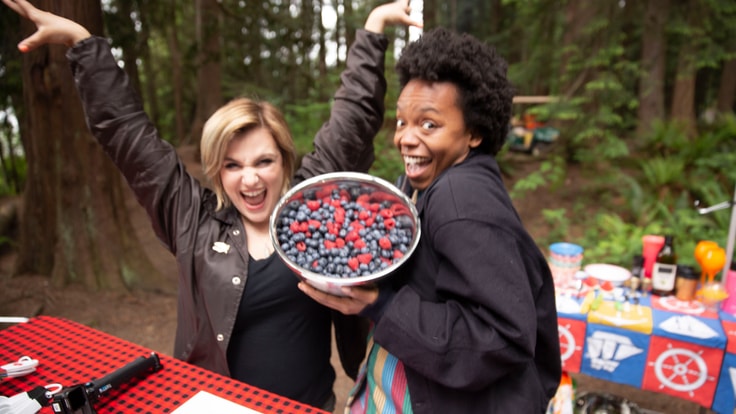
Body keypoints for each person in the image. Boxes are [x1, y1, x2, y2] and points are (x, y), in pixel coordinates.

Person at [3, 0, 422, 411]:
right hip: (215, 405)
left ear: (285, 162)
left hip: (309, 406)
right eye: (232, 165)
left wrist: (374, 24)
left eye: (264, 161)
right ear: (217, 171)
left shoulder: (311, 202)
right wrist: (83, 42)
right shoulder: (191, 219)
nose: (251, 178)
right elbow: (128, 135)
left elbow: (354, 118)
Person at [298, 27, 562, 413]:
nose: (405, 137)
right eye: (402, 121)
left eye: (429, 124)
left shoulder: (461, 199)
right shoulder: (426, 183)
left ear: (473, 132)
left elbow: (501, 337)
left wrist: (381, 305)